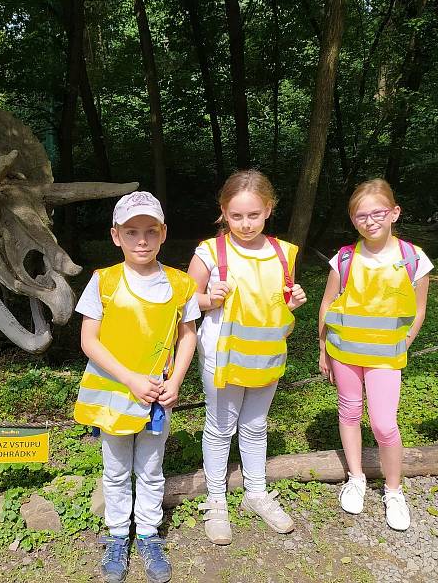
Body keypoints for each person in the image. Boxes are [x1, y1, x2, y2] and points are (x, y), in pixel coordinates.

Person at [73, 191, 199, 583]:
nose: (141, 240)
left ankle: (146, 534)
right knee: (115, 469)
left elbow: (188, 335)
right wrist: (129, 379)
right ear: (116, 236)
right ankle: (116, 536)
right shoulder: (104, 281)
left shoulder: (181, 285)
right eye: (131, 232)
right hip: (113, 394)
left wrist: (175, 380)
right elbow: (89, 340)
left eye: (149, 231)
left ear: (163, 234)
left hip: (158, 397)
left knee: (150, 468)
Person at [187, 170, 307, 545]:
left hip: (267, 355)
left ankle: (256, 493)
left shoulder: (283, 253)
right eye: (236, 216)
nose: (245, 224)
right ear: (223, 211)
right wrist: (210, 299)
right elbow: (184, 304)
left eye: (253, 215)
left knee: (256, 426)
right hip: (222, 358)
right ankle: (216, 500)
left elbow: (277, 304)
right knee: (221, 427)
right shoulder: (210, 251)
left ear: (269, 210)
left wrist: (294, 302)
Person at [318, 178, 432, 531]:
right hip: (344, 352)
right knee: (349, 413)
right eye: (360, 216)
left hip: (386, 357)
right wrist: (323, 347)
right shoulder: (346, 258)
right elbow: (327, 304)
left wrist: (404, 342)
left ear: (394, 213)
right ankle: (356, 478)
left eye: (378, 213)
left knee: (384, 424)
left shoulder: (413, 258)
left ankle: (394, 491)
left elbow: (419, 309)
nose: (370, 221)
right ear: (353, 220)